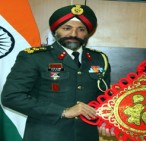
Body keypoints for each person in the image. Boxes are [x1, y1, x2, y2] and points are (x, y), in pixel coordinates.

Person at [1, 4, 112, 141]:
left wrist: (107, 120)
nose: (73, 34)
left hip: (86, 136)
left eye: (81, 29)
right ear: (55, 31)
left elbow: (104, 97)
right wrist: (63, 112)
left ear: (88, 33)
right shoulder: (34, 57)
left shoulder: (99, 59)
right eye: (67, 28)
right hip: (46, 136)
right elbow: (11, 97)